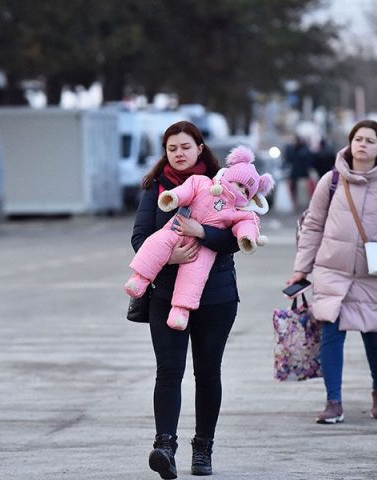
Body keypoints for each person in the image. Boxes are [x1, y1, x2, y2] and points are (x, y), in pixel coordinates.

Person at [285, 119, 377, 424]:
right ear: (350, 144)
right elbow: (312, 226)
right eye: (358, 139)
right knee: (331, 334)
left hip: (372, 275)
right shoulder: (331, 181)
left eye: (370, 140)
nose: (362, 144)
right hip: (332, 271)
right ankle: (333, 402)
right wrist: (301, 269)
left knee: (373, 336)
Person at [131, 121, 241, 479]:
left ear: (199, 148)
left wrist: (202, 232)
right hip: (166, 295)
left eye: (185, 147)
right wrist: (170, 257)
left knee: (207, 373)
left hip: (216, 297)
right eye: (172, 148)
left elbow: (237, 239)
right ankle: (165, 447)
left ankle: (203, 448)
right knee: (168, 371)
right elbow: (140, 237)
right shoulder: (156, 188)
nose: (178, 153)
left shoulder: (224, 184)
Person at [125, 145, 274, 331]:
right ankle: (140, 278)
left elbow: (246, 225)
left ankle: (181, 310)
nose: (241, 191)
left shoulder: (240, 211)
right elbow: (186, 191)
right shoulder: (203, 183)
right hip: (175, 231)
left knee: (194, 275)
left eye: (246, 191)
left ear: (199, 149)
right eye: (173, 148)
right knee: (156, 243)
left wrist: (246, 237)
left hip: (202, 251)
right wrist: (173, 197)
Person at [283, 135, 313, 211]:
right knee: (294, 188)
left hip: (302, 172)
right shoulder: (294, 149)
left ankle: (307, 203)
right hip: (296, 172)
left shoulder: (304, 149)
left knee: (305, 188)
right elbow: (288, 159)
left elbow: (308, 160)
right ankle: (295, 204)